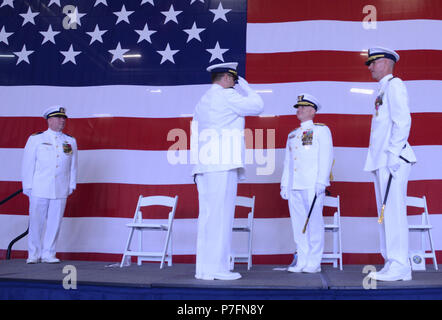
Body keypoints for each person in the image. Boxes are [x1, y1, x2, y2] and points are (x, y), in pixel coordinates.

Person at [191, 62, 264, 280]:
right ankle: (218, 269)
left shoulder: (202, 101)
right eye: (233, 80)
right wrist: (248, 89)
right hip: (222, 165)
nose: (234, 84)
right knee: (221, 217)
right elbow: (258, 106)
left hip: (204, 166)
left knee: (207, 218)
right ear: (226, 79)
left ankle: (203, 269)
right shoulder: (226, 96)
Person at [364, 47, 416, 281]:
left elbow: (403, 121)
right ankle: (392, 261)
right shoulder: (382, 89)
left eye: (373, 63)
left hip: (392, 160)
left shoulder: (395, 85)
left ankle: (400, 264)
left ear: (385, 62)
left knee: (394, 212)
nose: (370, 67)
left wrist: (394, 154)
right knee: (385, 213)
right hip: (382, 160)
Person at [280, 94, 333, 273]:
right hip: (295, 185)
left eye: (303, 107)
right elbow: (288, 163)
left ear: (312, 110)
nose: (299, 110)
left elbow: (326, 157)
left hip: (312, 185)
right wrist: (284, 185)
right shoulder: (292, 135)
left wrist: (322, 181)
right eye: (298, 107)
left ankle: (314, 261)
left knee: (314, 224)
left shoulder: (321, 130)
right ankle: (302, 260)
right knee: (298, 225)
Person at [22, 106, 78, 264]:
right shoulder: (36, 139)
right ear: (49, 120)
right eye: (59, 118)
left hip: (60, 187)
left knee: (55, 222)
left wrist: (71, 185)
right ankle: (33, 254)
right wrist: (28, 186)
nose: (62, 121)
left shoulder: (70, 141)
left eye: (64, 118)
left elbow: (73, 166)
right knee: (36, 222)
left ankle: (49, 253)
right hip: (39, 187)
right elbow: (28, 164)